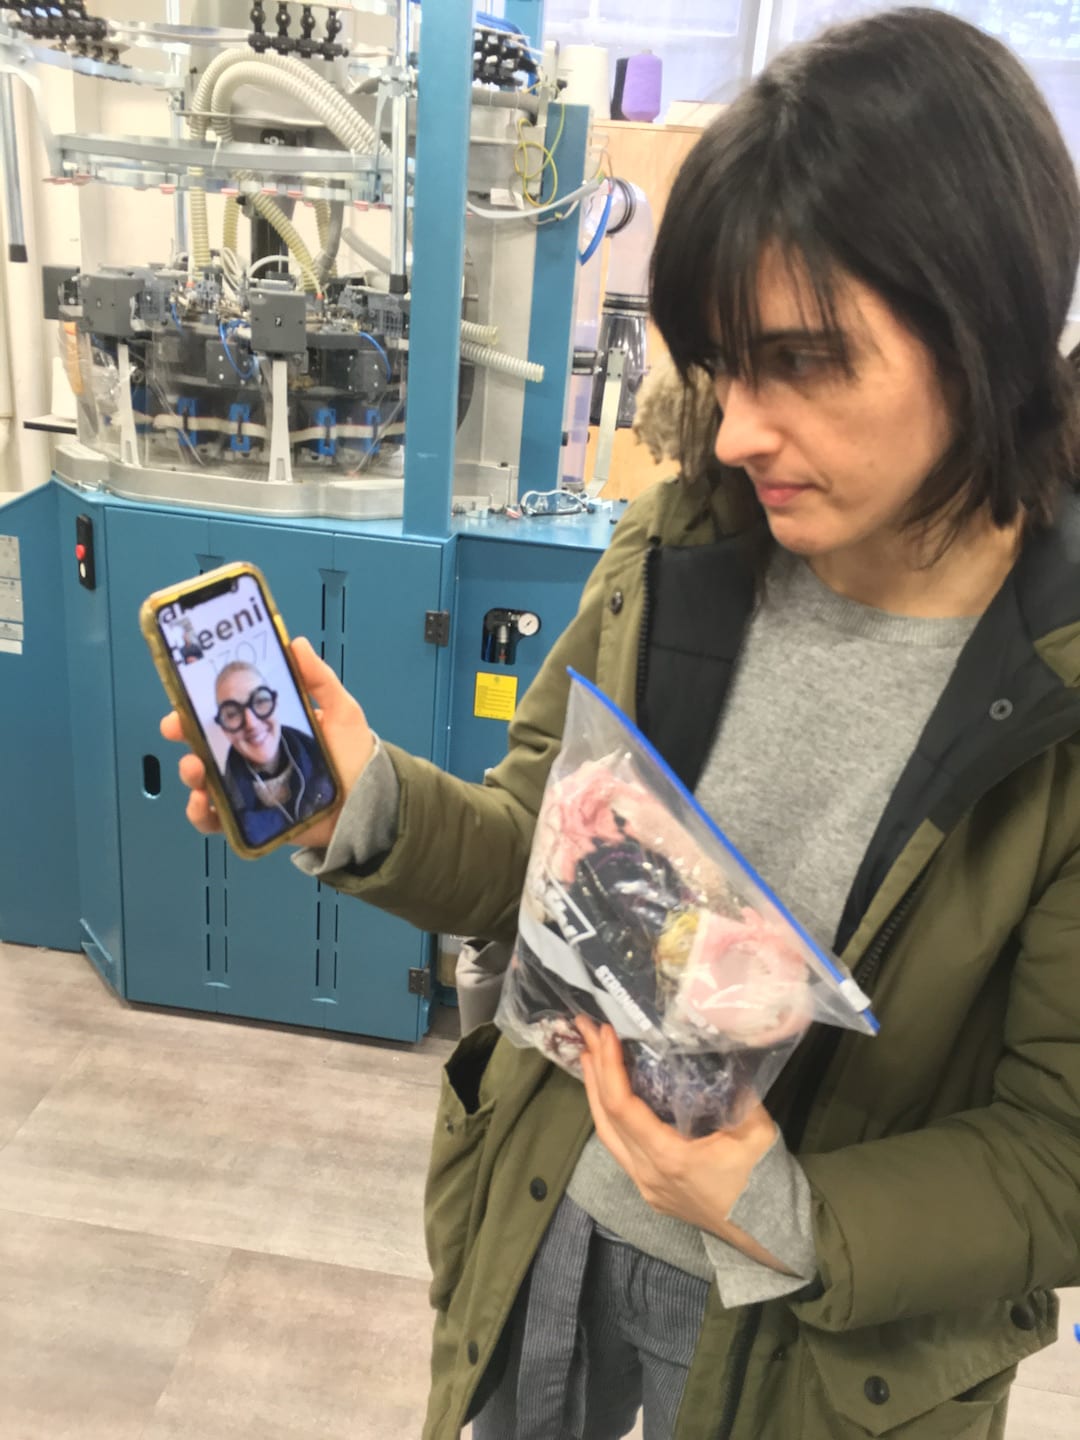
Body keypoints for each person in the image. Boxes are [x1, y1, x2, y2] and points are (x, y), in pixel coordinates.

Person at [163, 9, 1080, 1438]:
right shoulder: (680, 553)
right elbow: (542, 862)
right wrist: (365, 805)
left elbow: (1057, 1146)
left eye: (805, 362)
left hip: (820, 1343)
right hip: (554, 1216)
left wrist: (787, 1211)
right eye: (725, 366)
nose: (740, 432)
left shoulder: (1057, 699)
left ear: (987, 328)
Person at [212, 661, 336, 845]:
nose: (252, 723)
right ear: (224, 729)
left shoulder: (326, 759)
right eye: (232, 714)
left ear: (275, 704)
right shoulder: (225, 799)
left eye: (260, 701)